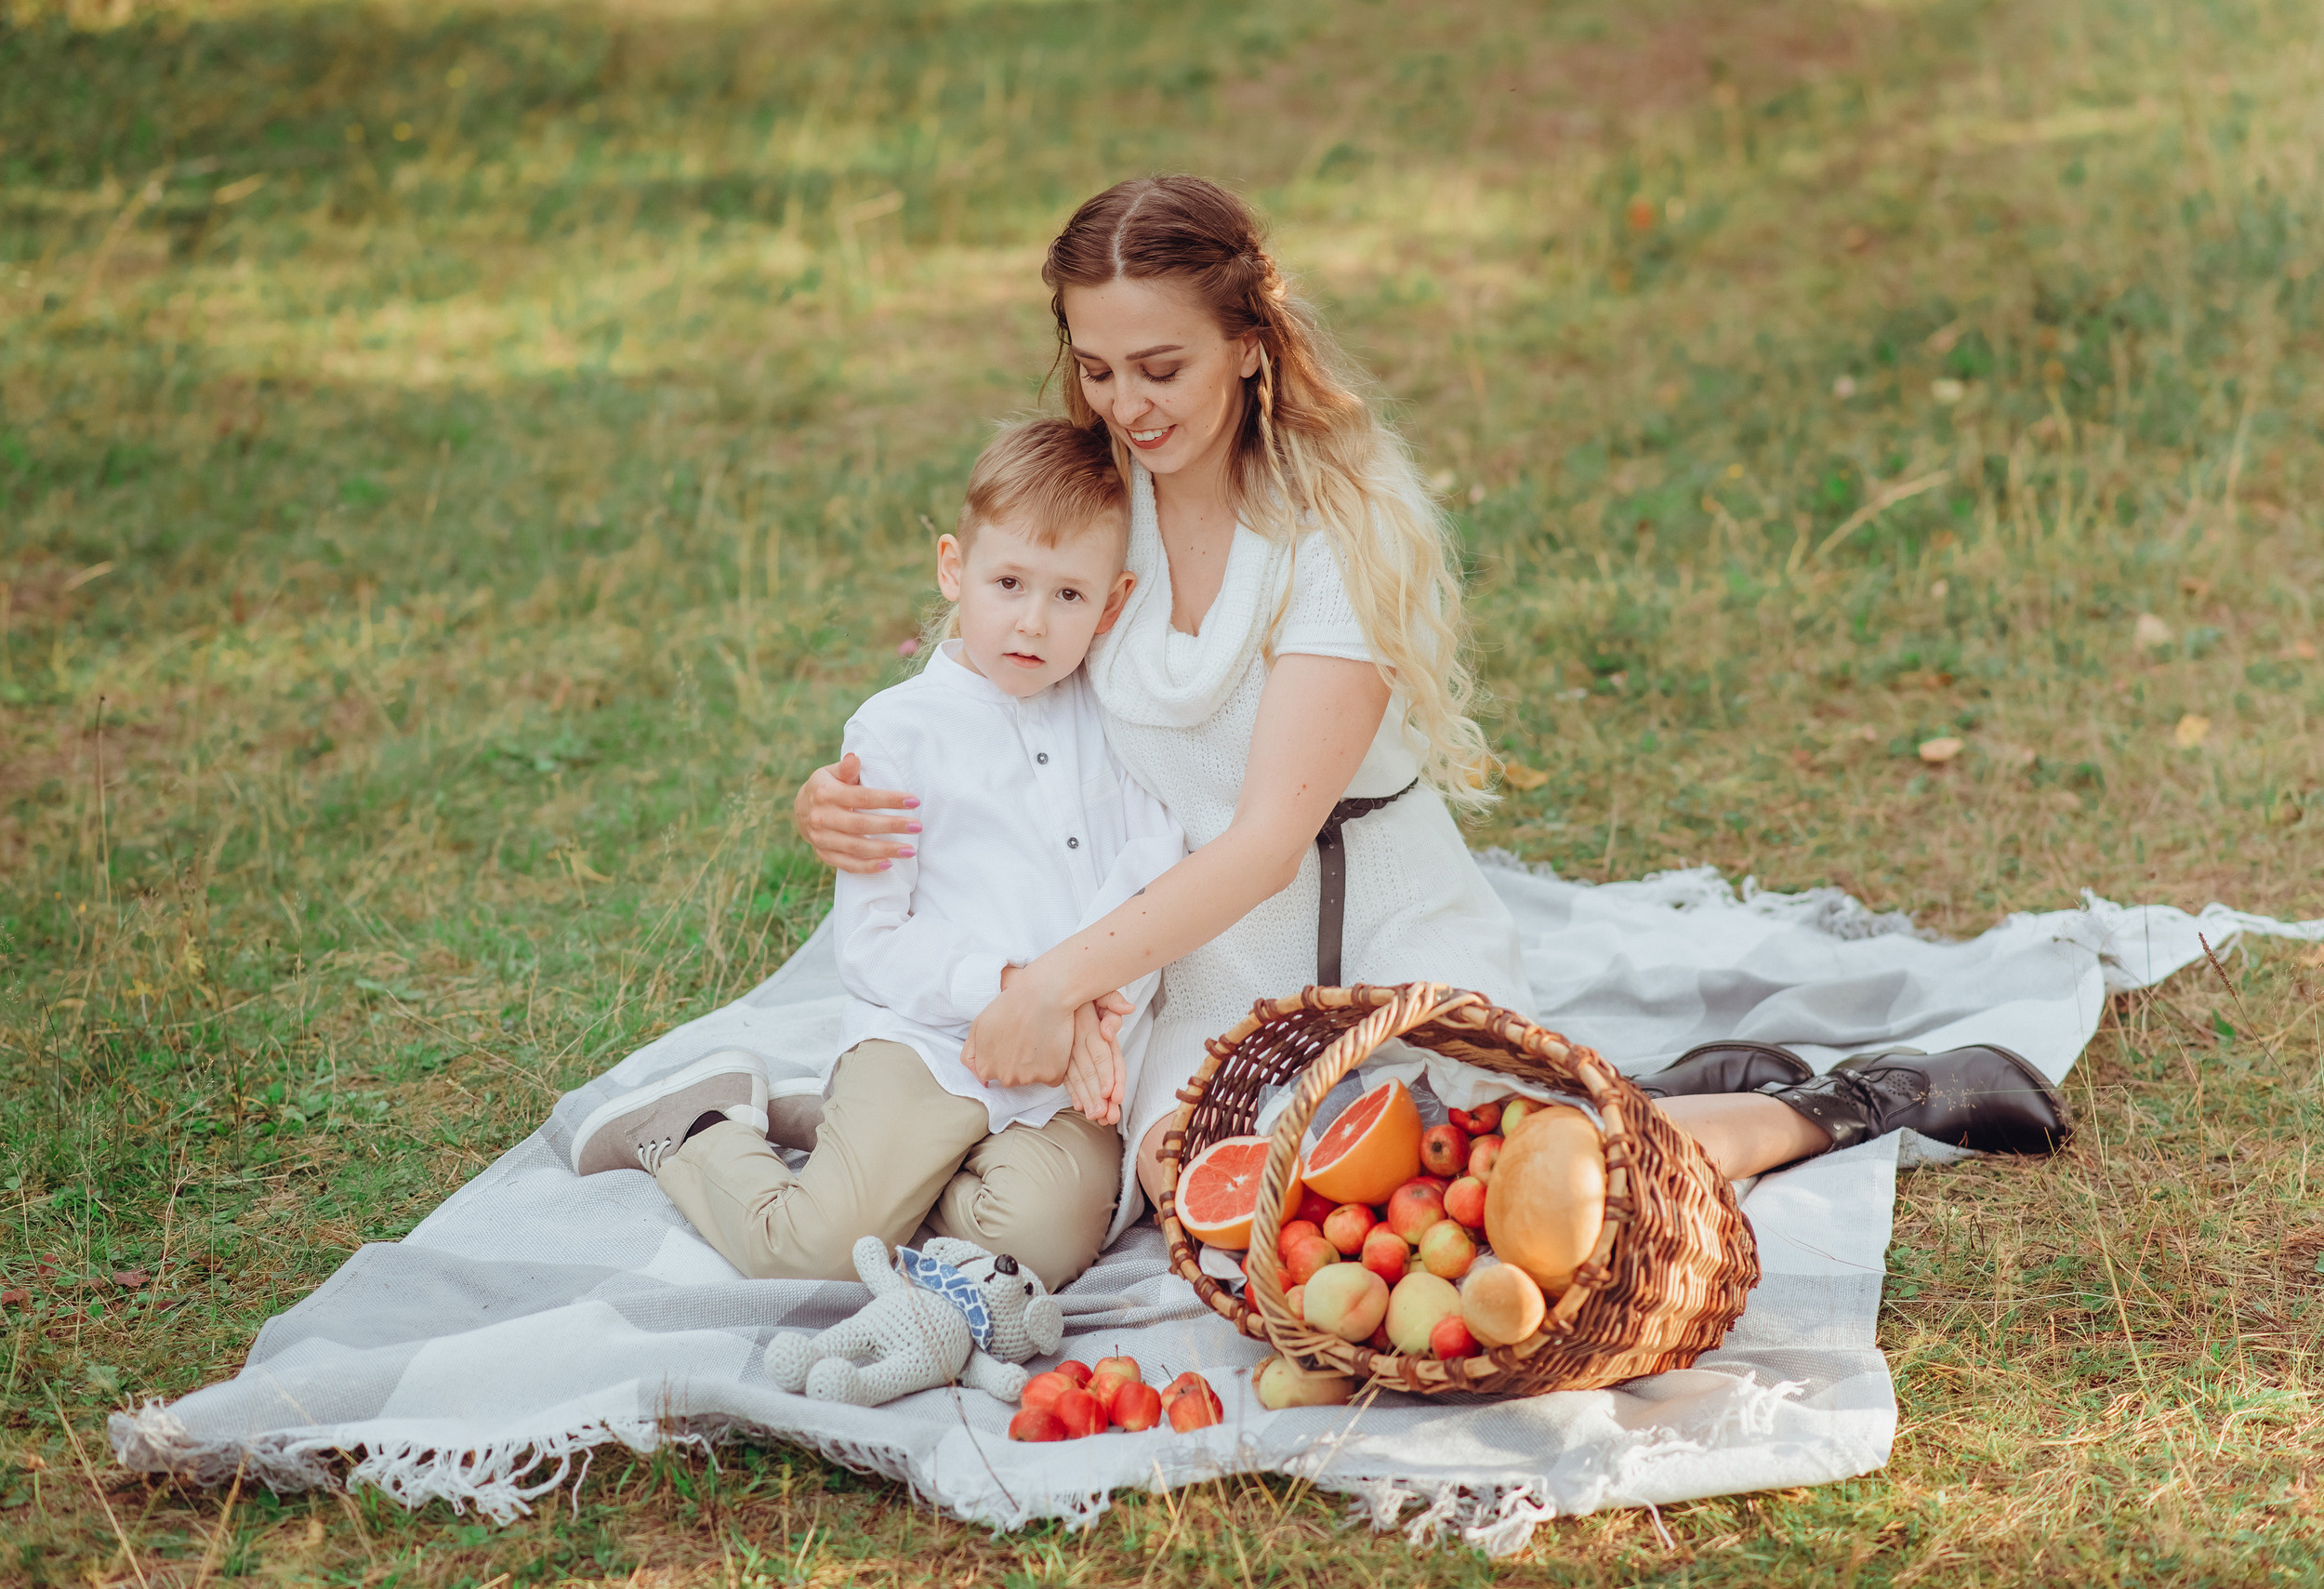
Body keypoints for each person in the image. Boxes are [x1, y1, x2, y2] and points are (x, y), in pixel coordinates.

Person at [792, 174, 2069, 1220]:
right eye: (1097, 369)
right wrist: (845, 795)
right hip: (1191, 963)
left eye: (1160, 368)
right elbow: (988, 666)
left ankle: (1846, 1102)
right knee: (1233, 1214)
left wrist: (1050, 984)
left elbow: (1268, 840)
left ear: (1247, 344)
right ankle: (1640, 1085)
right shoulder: (1094, 498)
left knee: (1492, 1196)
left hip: (1367, 924)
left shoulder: (1337, 520)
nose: (1127, 407)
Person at [568, 419, 1184, 1291]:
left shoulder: (1118, 715)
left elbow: (1157, 873)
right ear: (953, 568)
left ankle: (855, 1155)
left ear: (1112, 606)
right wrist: (1012, 988)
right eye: (1008, 582)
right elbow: (872, 944)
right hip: (925, 1040)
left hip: (1064, 1070)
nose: (1033, 621)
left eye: (1070, 596)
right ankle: (698, 1127)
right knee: (813, 1254)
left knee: (1039, 1244)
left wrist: (1092, 1013)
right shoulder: (896, 734)